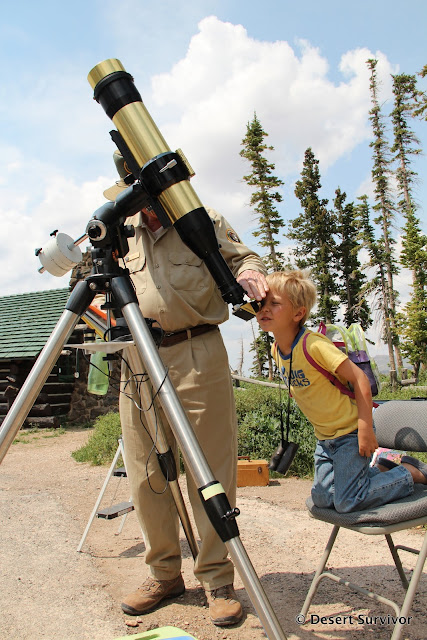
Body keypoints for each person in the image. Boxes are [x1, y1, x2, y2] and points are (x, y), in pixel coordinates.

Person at [103, 150, 268, 626]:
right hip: (138, 358)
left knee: (210, 469)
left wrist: (249, 272)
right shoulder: (120, 229)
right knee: (145, 472)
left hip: (197, 350)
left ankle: (217, 579)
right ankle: (163, 573)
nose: (148, 205)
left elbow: (246, 257)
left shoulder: (201, 217)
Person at [256, 269, 427, 514]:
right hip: (325, 437)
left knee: (348, 501)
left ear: (298, 313)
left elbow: (360, 379)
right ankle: (380, 470)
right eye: (261, 303)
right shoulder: (277, 349)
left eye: (274, 303)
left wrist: (365, 429)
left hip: (350, 431)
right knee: (323, 499)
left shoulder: (313, 345)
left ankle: (408, 472)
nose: (264, 309)